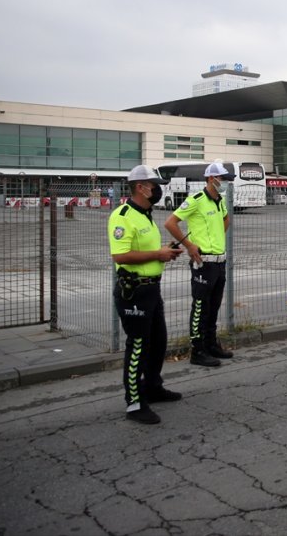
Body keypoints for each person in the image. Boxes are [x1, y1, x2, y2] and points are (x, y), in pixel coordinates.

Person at [108, 165, 184, 425]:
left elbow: (149, 252)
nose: (158, 189)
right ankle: (134, 402)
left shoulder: (146, 214)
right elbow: (120, 255)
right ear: (140, 187)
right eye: (154, 185)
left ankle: (153, 387)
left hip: (152, 288)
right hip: (134, 292)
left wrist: (165, 252)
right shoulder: (123, 215)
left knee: (158, 342)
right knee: (138, 346)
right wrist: (157, 254)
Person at [164, 161, 235, 368]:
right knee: (200, 308)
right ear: (210, 179)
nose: (224, 182)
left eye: (225, 179)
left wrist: (214, 238)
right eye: (221, 179)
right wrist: (189, 245)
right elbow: (170, 222)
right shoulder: (195, 200)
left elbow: (226, 220)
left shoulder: (219, 201)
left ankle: (211, 345)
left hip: (219, 262)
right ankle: (198, 350)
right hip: (203, 263)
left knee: (213, 307)